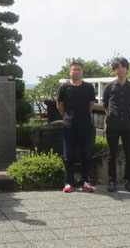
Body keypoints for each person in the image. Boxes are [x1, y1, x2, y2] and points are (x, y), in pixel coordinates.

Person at [57, 61, 96, 193]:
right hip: (69, 126)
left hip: (86, 126)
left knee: (87, 155)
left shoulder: (89, 87)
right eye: (74, 70)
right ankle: (69, 182)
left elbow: (92, 104)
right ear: (70, 72)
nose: (76, 72)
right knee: (68, 156)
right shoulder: (63, 87)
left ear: (82, 72)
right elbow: (60, 105)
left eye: (79, 69)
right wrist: (67, 117)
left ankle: (85, 181)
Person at [103, 57, 130, 192]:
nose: (120, 70)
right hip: (112, 125)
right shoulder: (109, 87)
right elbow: (106, 106)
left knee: (129, 154)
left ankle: (129, 181)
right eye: (117, 67)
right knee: (111, 154)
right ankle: (111, 181)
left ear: (127, 69)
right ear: (114, 70)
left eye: (123, 67)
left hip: (128, 125)